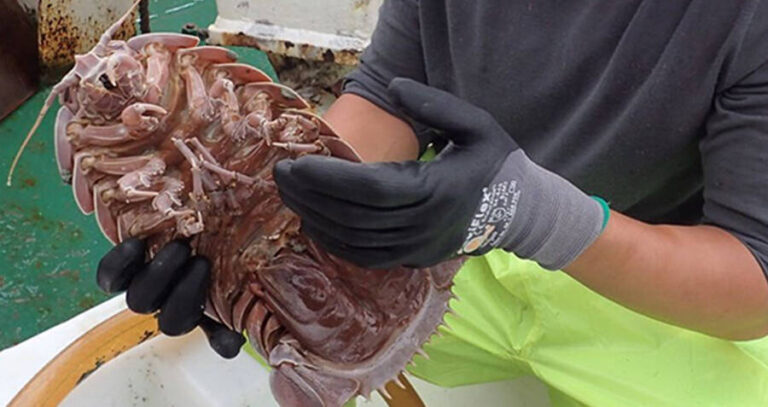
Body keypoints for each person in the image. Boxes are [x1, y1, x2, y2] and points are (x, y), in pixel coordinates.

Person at [98, 1, 768, 404]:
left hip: (657, 282)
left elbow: (754, 276)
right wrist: (258, 212)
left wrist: (534, 214)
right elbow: (387, 94)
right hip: (463, 237)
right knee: (259, 302)